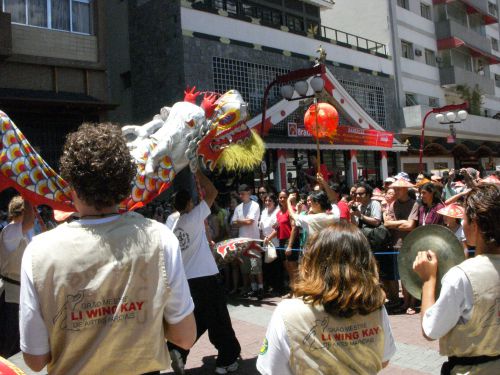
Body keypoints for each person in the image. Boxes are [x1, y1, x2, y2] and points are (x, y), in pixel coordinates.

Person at [19, 123, 196, 374]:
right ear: (126, 184)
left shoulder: (38, 252)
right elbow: (185, 337)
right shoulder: (160, 238)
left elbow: (35, 360)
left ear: (71, 185)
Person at [256, 222, 396, 374]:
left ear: (314, 261)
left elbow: (272, 369)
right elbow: (384, 360)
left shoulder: (287, 312)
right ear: (367, 262)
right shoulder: (374, 305)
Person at [413, 183, 500, 374]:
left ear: (475, 224)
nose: (462, 224)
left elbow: (431, 330)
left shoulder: (462, 275)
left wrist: (428, 280)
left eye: (464, 219)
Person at [167, 170, 241, 375]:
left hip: (187, 280)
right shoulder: (193, 217)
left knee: (200, 319)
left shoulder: (172, 224)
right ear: (190, 204)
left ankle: (178, 349)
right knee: (218, 319)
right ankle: (227, 358)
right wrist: (197, 171)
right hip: (206, 277)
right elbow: (213, 192)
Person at [0, 196, 34, 358]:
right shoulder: (12, 230)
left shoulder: (23, 231)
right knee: (8, 339)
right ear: (22, 212)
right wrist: (29, 196)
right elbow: (29, 223)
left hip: (20, 291)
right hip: (10, 292)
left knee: (15, 339)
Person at [383, 179, 419, 314]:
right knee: (403, 277)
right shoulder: (393, 205)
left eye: (398, 189)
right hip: (396, 244)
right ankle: (405, 303)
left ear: (405, 189)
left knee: (412, 275)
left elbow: (411, 226)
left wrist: (396, 224)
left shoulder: (414, 204)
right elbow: (386, 223)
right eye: (395, 189)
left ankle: (412, 304)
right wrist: (402, 222)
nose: (396, 191)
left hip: (411, 244)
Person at [231, 184, 261, 296]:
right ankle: (250, 288)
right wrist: (244, 221)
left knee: (255, 266)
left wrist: (240, 221)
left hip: (253, 240)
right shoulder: (238, 207)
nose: (241, 195)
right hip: (242, 240)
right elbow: (233, 223)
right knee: (245, 267)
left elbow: (250, 222)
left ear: (249, 193)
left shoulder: (255, 205)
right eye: (240, 193)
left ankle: (260, 288)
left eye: (243, 193)